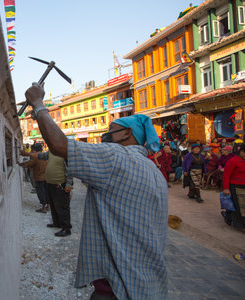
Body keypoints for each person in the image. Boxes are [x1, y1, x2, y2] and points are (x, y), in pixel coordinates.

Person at [24, 82, 168, 300]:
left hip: (118, 288)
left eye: (111, 132)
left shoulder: (117, 157)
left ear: (126, 134)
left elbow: (60, 145)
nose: (106, 138)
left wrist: (38, 103)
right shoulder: (153, 170)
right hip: (148, 283)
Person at [21, 149, 74, 236]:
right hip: (50, 184)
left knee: (62, 207)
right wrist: (27, 153)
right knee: (53, 205)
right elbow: (41, 156)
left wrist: (68, 184)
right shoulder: (51, 152)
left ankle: (66, 228)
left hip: (60, 185)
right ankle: (56, 223)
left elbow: (70, 170)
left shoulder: (64, 153)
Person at [222, 142, 245, 233]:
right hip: (236, 187)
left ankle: (228, 217)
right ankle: (243, 225)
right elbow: (226, 175)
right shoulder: (233, 161)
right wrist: (226, 188)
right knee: (238, 207)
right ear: (241, 152)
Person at [19, 143, 48, 213]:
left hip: (39, 177)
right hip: (47, 177)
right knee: (46, 192)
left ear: (34, 149)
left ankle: (43, 208)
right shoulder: (44, 155)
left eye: (32, 150)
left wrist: (21, 164)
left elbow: (29, 164)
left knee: (41, 192)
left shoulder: (36, 156)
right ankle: (48, 206)